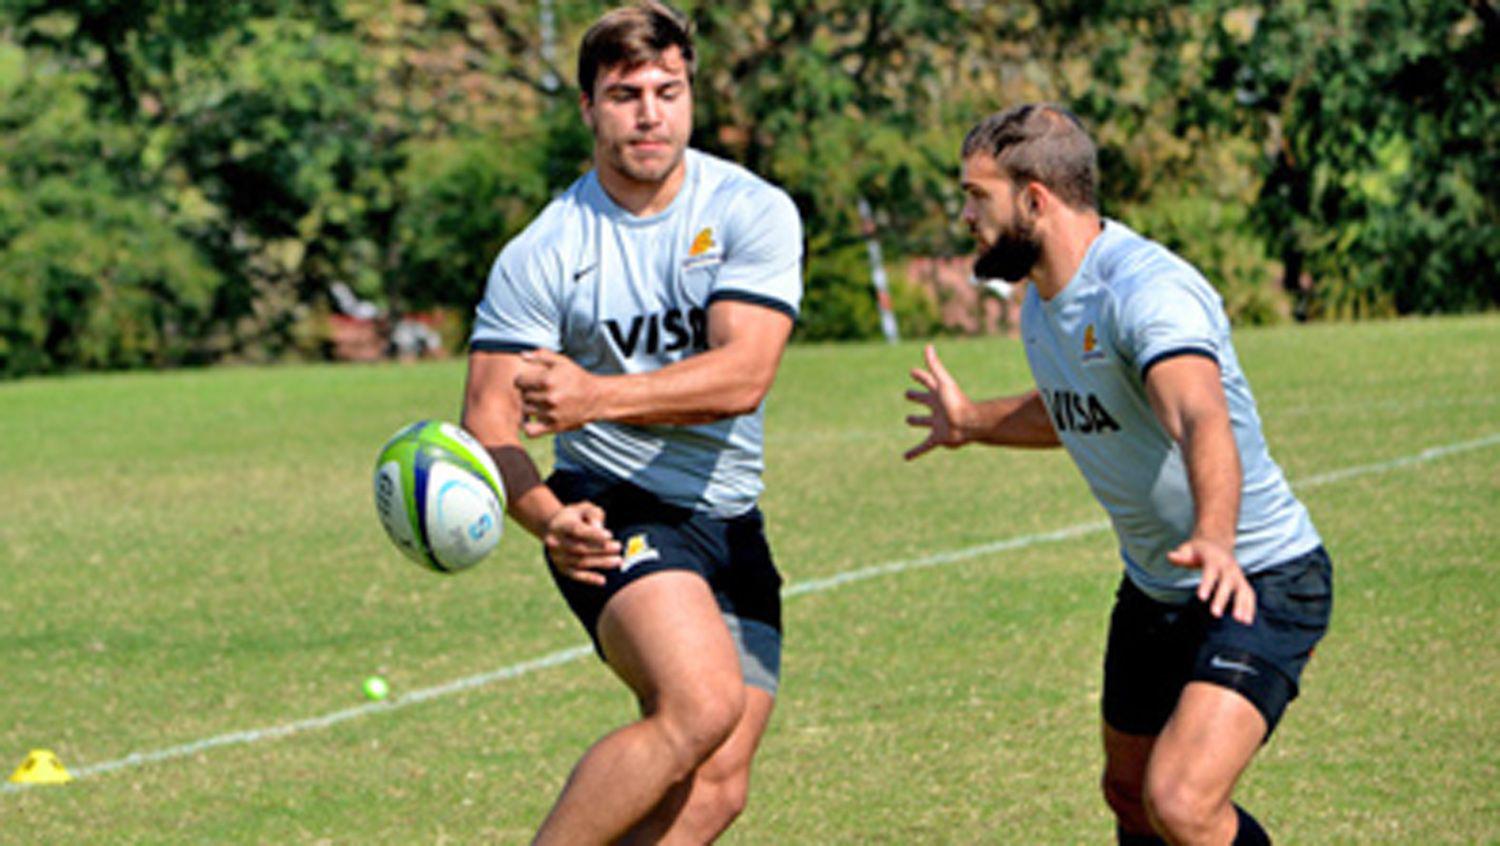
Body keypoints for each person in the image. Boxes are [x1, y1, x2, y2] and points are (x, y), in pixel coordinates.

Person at [904, 104, 1332, 846]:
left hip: (1256, 575)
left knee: (1181, 802)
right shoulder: (1043, 298)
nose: (965, 215)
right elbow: (1080, 406)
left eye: (977, 196)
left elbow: (1201, 417)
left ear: (1034, 198)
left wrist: (1215, 536)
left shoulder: (1142, 292)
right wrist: (971, 422)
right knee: (1129, 793)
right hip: (1157, 587)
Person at [461, 3, 801, 843]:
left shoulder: (751, 211)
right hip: (613, 507)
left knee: (717, 788)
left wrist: (594, 396)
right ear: (587, 108)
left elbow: (744, 376)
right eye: (624, 94)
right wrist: (548, 519)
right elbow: (486, 422)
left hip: (730, 517)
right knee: (699, 703)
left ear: (691, 96)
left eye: (668, 90)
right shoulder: (544, 250)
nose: (650, 113)